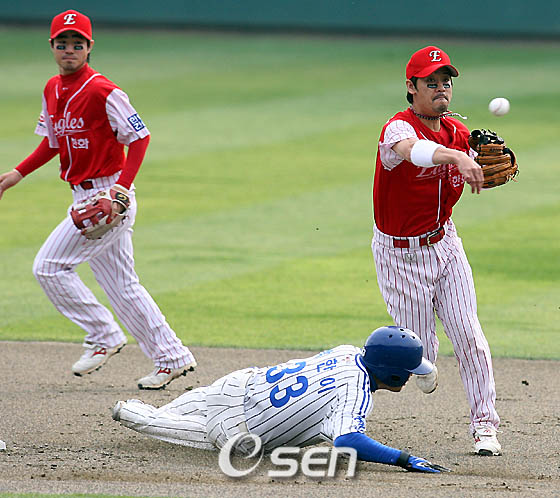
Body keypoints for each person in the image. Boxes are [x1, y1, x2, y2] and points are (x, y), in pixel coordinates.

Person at [0, 10, 196, 390]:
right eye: (62, 43)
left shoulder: (103, 90)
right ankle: (172, 357)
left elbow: (140, 137)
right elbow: (52, 142)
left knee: (49, 267)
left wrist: (121, 188)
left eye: (77, 44)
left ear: (89, 47)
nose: (69, 50)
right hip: (84, 194)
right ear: (52, 47)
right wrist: (17, 174)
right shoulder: (52, 89)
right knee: (123, 286)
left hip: (108, 196)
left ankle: (104, 334)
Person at [370, 45, 501, 456]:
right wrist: (458, 158)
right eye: (431, 82)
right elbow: (415, 152)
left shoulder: (458, 133)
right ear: (411, 87)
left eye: (446, 81)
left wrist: (486, 163)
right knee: (417, 354)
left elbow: (480, 166)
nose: (441, 88)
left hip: (445, 245)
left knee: (470, 336)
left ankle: (485, 426)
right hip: (400, 255)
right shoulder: (396, 129)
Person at [112, 326, 449, 473]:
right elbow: (348, 440)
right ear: (390, 372)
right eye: (407, 370)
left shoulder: (347, 352)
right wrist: (403, 459)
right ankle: (133, 414)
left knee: (191, 405)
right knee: (169, 425)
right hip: (237, 430)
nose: (410, 376)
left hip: (239, 383)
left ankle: (152, 412)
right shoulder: (355, 393)